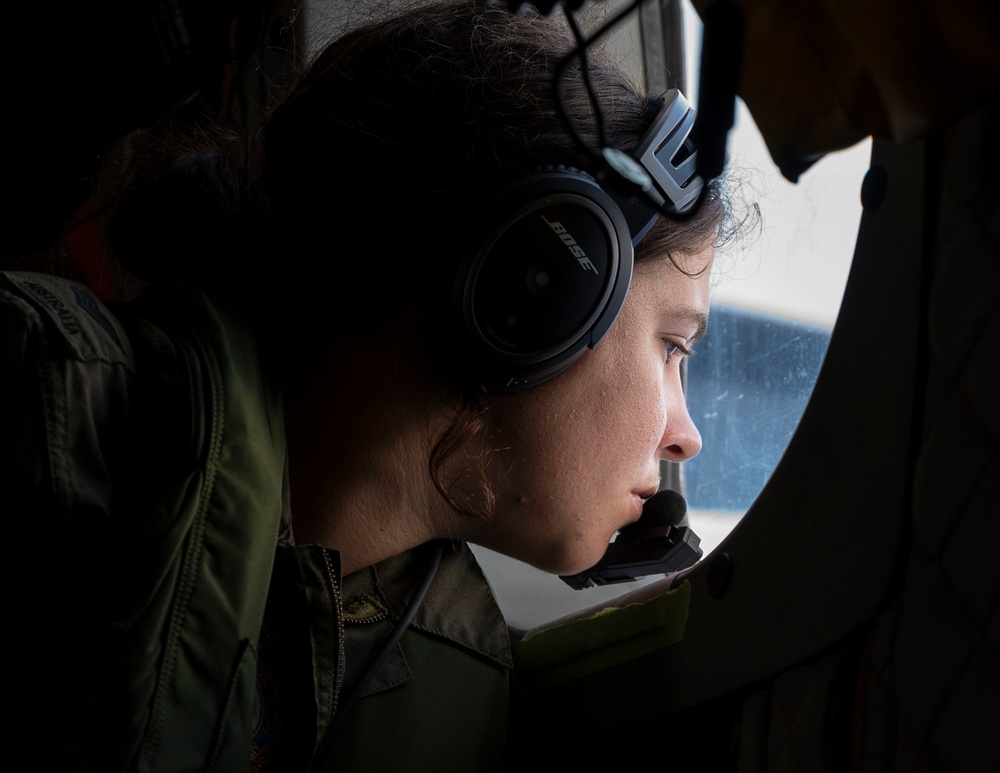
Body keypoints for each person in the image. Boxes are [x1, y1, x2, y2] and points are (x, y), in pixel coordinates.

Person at [1, 0, 736, 770]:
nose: (687, 433)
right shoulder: (40, 406)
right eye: (672, 345)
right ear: (540, 290)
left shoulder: (458, 677)